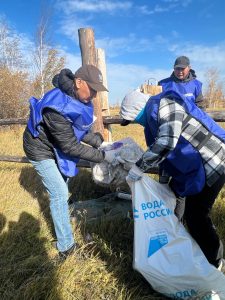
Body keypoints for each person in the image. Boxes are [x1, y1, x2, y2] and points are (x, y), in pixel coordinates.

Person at [120, 89, 225, 269]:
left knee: (196, 214)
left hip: (214, 161)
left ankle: (215, 261)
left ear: (139, 109)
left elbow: (167, 143)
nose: (135, 123)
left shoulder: (166, 106)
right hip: (195, 168)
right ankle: (181, 243)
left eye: (134, 118)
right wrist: (163, 184)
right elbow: (167, 157)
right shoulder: (153, 120)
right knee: (177, 200)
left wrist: (139, 167)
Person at [23, 65, 114, 259]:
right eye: (93, 89)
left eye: (98, 90)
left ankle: (63, 215)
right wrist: (104, 157)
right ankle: (66, 249)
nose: (95, 95)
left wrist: (102, 144)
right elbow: (70, 146)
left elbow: (81, 129)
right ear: (79, 82)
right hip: (40, 149)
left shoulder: (79, 97)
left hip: (56, 144)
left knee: (62, 186)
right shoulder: (56, 107)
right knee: (59, 193)